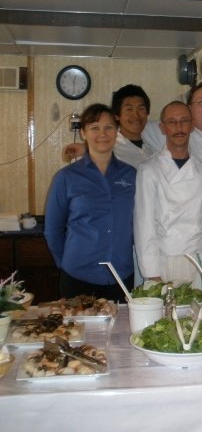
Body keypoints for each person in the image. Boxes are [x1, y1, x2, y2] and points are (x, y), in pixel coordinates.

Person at [45, 104, 136, 301]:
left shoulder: (131, 175)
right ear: (84, 133)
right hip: (78, 276)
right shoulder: (66, 177)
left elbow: (142, 221)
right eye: (95, 128)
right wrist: (65, 264)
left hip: (121, 275)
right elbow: (53, 229)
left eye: (109, 127)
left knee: (119, 332)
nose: (102, 134)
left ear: (117, 131)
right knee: (76, 332)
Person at [134, 101, 202, 289]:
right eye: (172, 122)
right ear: (162, 128)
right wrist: (152, 273)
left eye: (184, 121)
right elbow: (144, 224)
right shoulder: (149, 170)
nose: (179, 127)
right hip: (165, 260)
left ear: (192, 125)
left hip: (199, 258)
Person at [63, 84, 154, 168]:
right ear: (117, 115)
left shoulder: (154, 143)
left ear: (147, 113)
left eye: (141, 109)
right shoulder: (107, 150)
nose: (136, 115)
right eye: (129, 109)